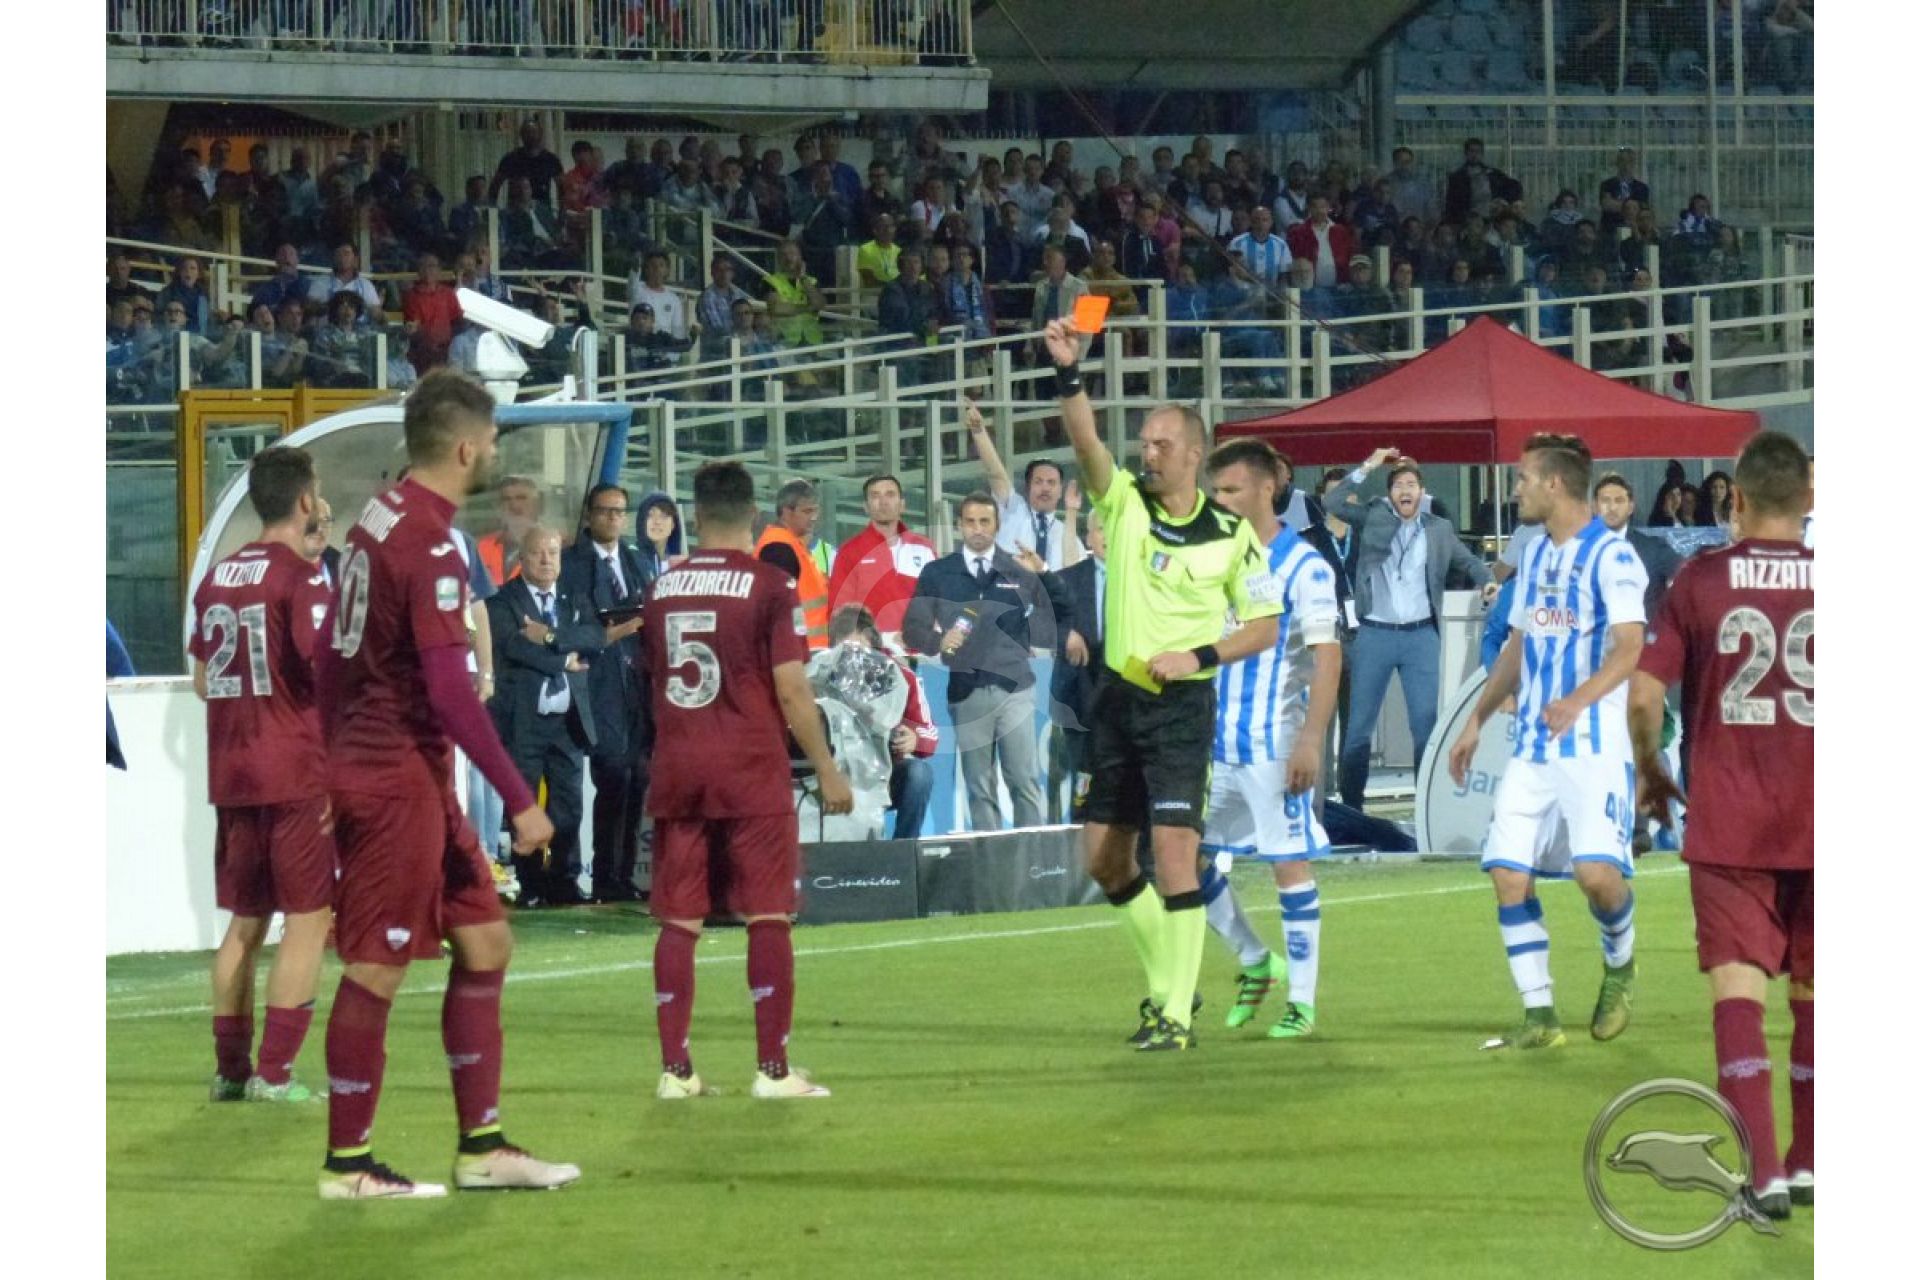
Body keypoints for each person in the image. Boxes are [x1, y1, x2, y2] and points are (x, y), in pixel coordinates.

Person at [314, 369, 576, 1199]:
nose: (496, 451)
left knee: (487, 942)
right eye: (492, 438)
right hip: (393, 777)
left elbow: (328, 655)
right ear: (466, 447)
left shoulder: (379, 515)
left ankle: (483, 1149)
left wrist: (326, 755)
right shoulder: (427, 543)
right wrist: (521, 799)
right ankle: (348, 1165)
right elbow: (450, 691)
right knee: (376, 965)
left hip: (406, 773)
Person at [1040, 317, 1283, 1052]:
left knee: (1175, 854)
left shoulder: (1231, 536)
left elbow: (1264, 627)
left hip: (1181, 708)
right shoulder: (1124, 505)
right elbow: (1087, 444)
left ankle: (1174, 1014)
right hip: (1117, 701)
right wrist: (1069, 374)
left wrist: (1197, 654)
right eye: (1143, 443)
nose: (1147, 454)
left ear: (1195, 455)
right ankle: (1170, 986)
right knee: (1105, 860)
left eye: (1161, 445)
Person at [1628, 431, 1814, 1220]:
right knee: (1817, 995)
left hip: (1731, 820)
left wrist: (1650, 772)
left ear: (1735, 498)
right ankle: (1811, 1161)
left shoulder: (1699, 578)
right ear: (1809, 499)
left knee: (1738, 992)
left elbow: (1645, 696)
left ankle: (1763, 1174)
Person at [644, 462, 853, 1101]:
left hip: (680, 765)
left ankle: (676, 1071)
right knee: (768, 912)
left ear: (695, 515)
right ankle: (773, 1070)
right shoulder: (769, 586)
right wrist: (825, 766)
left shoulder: (662, 588)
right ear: (754, 513)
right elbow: (791, 689)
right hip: (748, 767)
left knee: (680, 920)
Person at [1446, 434, 1648, 1053]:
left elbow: (1630, 647)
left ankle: (1620, 961)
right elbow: (1518, 646)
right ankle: (1540, 1015)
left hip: (1592, 744)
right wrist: (1477, 718)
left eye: (1523, 480)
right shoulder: (1532, 555)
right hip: (1533, 746)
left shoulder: (1613, 557)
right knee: (1508, 872)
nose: (1517, 491)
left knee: (1596, 876)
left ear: (1554, 484)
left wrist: (1578, 699)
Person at [189, 446, 336, 1105]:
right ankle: (274, 1072)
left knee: (245, 921)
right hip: (294, 770)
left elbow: (202, 681)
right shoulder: (300, 577)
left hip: (232, 772)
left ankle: (230, 1071)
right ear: (305, 501)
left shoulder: (218, 576)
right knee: (308, 918)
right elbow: (325, 675)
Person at [1194, 441, 1344, 1040]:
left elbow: (1328, 658)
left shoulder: (1305, 566)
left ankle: (1301, 1004)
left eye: (1231, 490)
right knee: (1177, 855)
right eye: (1215, 491)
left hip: (1273, 743)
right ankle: (1255, 959)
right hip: (1213, 743)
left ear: (1267, 488)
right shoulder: (1212, 559)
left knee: (1288, 864)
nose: (1221, 501)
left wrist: (1311, 740)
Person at [1323, 450, 1495, 810]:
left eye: (1411, 484)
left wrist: (1487, 580)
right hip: (1375, 634)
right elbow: (1333, 502)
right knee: (1358, 729)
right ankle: (1353, 809)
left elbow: (1469, 561)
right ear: (1389, 494)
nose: (1405, 490)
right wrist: (1369, 465)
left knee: (1426, 728)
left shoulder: (1438, 529)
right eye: (1398, 485)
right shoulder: (1373, 517)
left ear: (1422, 492)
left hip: (1420, 637)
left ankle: (1426, 808)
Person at [903, 494, 1058, 833]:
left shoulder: (1018, 569)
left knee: (1023, 780)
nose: (977, 529)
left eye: (985, 521)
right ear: (959, 526)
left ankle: (1031, 857)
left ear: (997, 526)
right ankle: (989, 859)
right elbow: (912, 628)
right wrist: (937, 641)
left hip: (1015, 688)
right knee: (978, 786)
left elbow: (1051, 623)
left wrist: (1042, 583)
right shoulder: (938, 572)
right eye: (970, 521)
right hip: (966, 690)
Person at [486, 526, 605, 909]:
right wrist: (563, 661)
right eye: (538, 553)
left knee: (569, 804)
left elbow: (594, 636)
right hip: (524, 721)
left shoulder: (574, 597)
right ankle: (530, 883)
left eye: (553, 553)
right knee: (524, 802)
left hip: (567, 721)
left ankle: (564, 881)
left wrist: (552, 639)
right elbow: (513, 646)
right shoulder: (504, 600)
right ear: (522, 558)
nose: (546, 560)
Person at [557, 484, 653, 903]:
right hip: (596, 682)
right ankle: (603, 875)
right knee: (612, 774)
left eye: (619, 511)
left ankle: (623, 875)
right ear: (590, 515)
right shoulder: (571, 564)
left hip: (635, 683)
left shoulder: (635, 561)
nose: (613, 518)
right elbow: (567, 623)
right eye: (605, 511)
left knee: (637, 778)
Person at [829, 607, 938, 840]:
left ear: (875, 646)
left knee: (919, 774)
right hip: (835, 773)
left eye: (861, 651)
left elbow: (930, 733)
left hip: (885, 774)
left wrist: (914, 739)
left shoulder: (902, 676)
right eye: (846, 652)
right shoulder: (821, 675)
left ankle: (904, 848)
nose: (855, 661)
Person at [964, 402, 1082, 571]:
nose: (1045, 488)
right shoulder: (1013, 509)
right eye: (1038, 481)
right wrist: (979, 431)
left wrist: (1071, 511)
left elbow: (1075, 574)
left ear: (1060, 492)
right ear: (1027, 488)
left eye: (1051, 483)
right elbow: (995, 474)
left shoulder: (1068, 535)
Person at [827, 474, 938, 637]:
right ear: (866, 507)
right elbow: (840, 614)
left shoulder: (925, 548)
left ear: (902, 505)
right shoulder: (849, 552)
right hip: (872, 648)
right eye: (875, 496)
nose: (883, 502)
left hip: (920, 649)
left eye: (890, 494)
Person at [1592, 473, 1681, 627]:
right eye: (1605, 500)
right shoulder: (1578, 549)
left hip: (1642, 637)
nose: (1612, 507)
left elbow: (1688, 579)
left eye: (1619, 500)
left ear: (1631, 507)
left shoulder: (1653, 548)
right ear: (1594, 507)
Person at [754, 479, 832, 650]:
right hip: (798, 652)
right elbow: (777, 612)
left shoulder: (792, 544)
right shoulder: (778, 549)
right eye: (807, 511)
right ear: (786, 512)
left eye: (815, 510)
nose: (814, 517)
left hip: (808, 650)